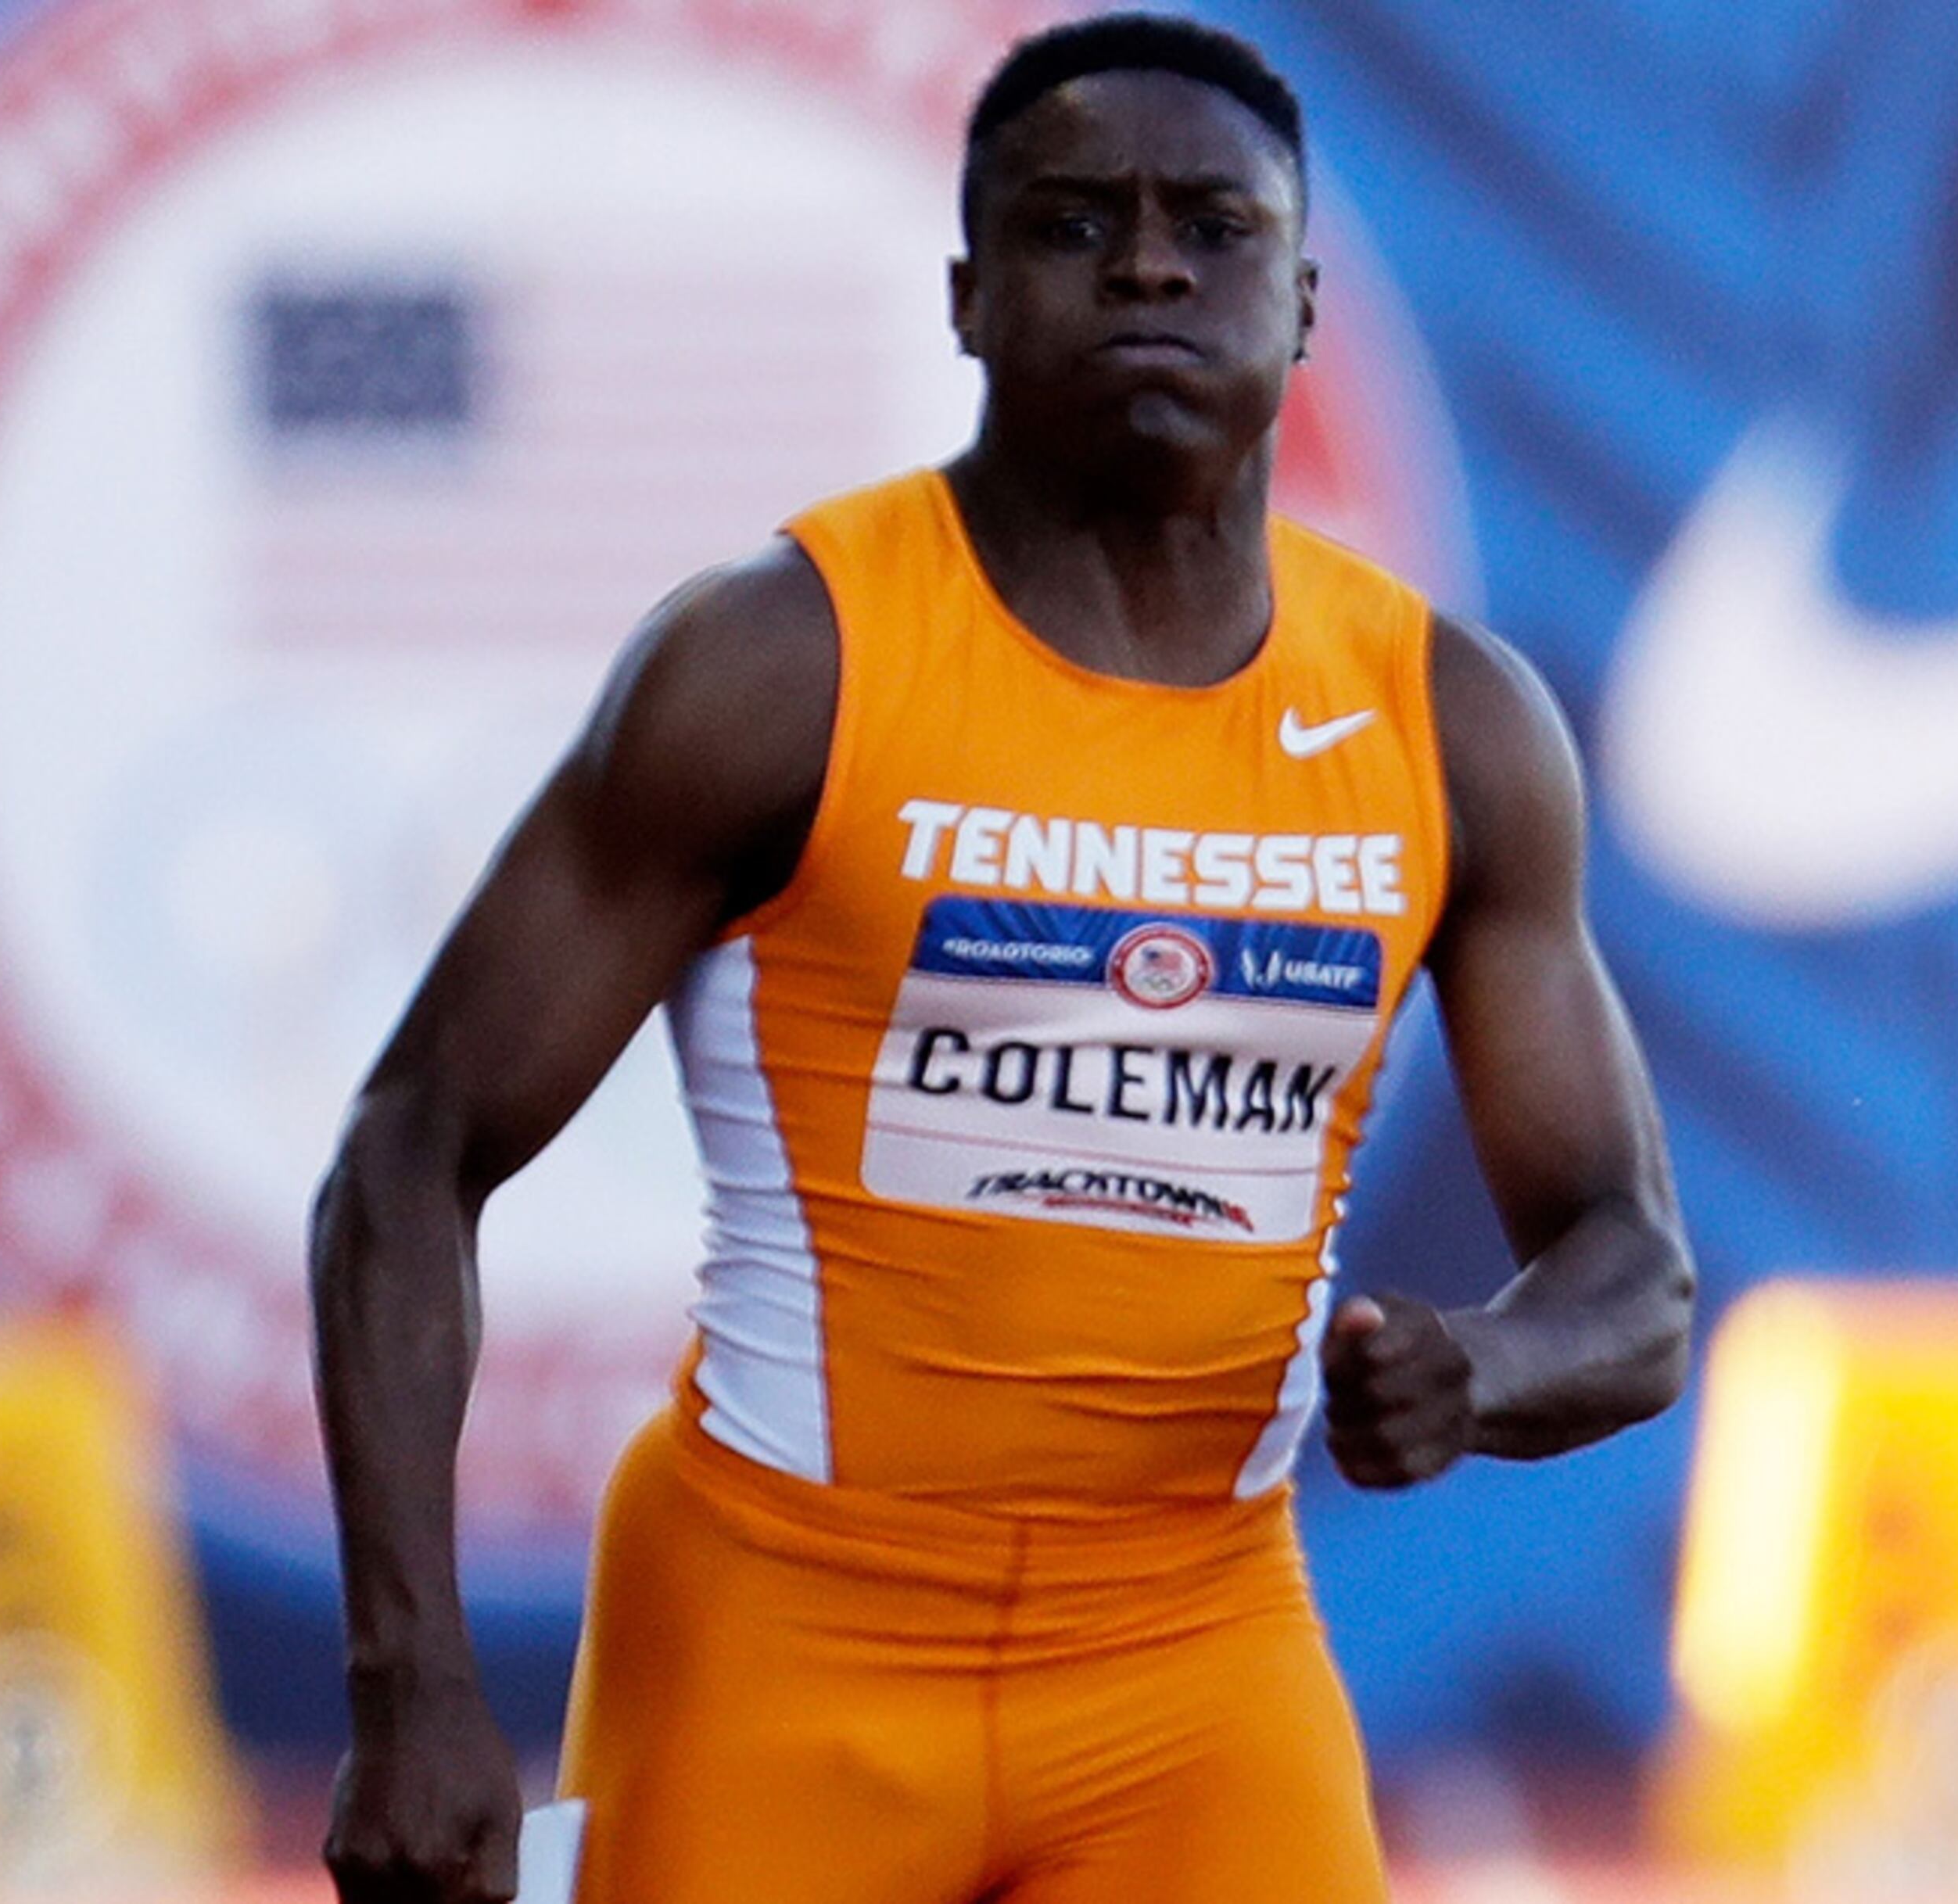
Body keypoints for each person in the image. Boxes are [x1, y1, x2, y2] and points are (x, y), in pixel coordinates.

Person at [308, 13, 1696, 1902]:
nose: (1144, 261)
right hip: (781, 1621)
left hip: (1193, 1652)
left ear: (1301, 306)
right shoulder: (779, 665)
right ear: (967, 298)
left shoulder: (1447, 723)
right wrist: (412, 1687)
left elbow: (1635, 1270)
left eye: (1211, 226)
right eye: (1073, 223)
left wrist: (1488, 1367)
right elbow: (411, 1151)